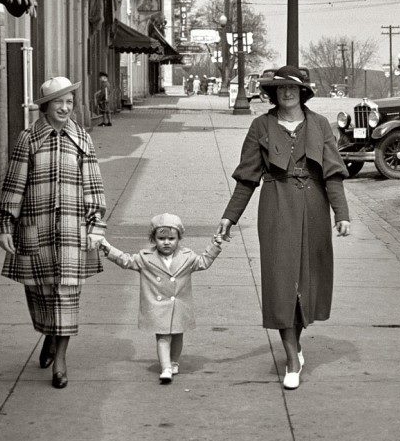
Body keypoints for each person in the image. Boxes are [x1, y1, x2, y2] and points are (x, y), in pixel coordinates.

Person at [218, 65, 351, 390]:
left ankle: (295, 342)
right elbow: (247, 177)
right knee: (280, 283)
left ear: (303, 92)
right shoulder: (260, 126)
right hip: (276, 207)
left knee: (308, 282)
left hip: (314, 206)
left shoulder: (319, 124)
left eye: (292, 88)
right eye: (280, 88)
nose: (287, 93)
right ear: (273, 93)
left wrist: (342, 214)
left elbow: (333, 173)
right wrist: (229, 216)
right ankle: (292, 359)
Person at [0, 76, 108, 389]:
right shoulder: (28, 139)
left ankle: (60, 361)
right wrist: (6, 224)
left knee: (67, 295)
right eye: (59, 102)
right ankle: (50, 333)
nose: (65, 107)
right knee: (42, 294)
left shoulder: (82, 139)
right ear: (45, 106)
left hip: (73, 231)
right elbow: (14, 185)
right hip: (37, 229)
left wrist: (95, 225)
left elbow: (93, 186)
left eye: (69, 102)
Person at [98, 213, 223, 384]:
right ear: (153, 239)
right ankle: (166, 368)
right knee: (163, 337)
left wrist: (215, 245)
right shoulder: (145, 258)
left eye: (171, 238)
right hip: (158, 307)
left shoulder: (187, 256)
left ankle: (174, 362)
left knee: (177, 336)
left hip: (179, 305)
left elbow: (203, 262)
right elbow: (126, 260)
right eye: (161, 238)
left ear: (179, 238)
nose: (166, 242)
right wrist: (107, 247)